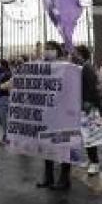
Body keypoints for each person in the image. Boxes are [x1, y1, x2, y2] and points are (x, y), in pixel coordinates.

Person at [36, 41, 74, 191]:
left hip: (63, 112)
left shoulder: (66, 68)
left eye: (51, 49)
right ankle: (48, 177)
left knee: (64, 145)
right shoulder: (40, 67)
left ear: (58, 52)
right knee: (47, 145)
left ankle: (64, 179)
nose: (47, 51)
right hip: (47, 112)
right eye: (46, 49)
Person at [75, 45, 102, 176]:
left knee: (90, 135)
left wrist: (89, 103)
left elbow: (92, 86)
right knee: (86, 135)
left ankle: (95, 163)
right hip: (83, 105)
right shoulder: (83, 67)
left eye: (76, 53)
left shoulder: (87, 67)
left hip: (87, 106)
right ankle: (91, 160)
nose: (73, 56)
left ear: (81, 54)